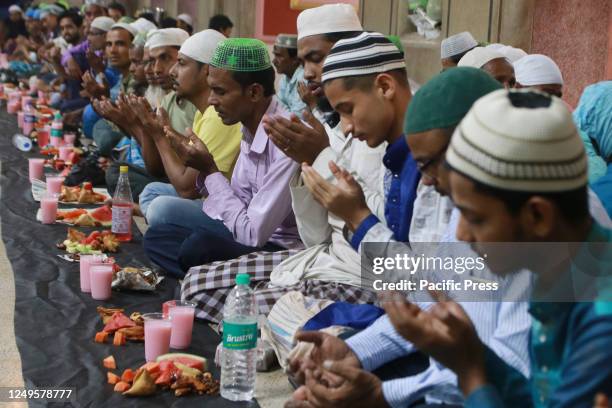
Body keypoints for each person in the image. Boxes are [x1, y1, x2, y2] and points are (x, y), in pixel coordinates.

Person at [380, 89, 612, 408]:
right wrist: (474, 355)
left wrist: (471, 373)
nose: (461, 234)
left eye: (474, 217)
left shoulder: (602, 323)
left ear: (538, 215)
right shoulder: (559, 273)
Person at [181, 4, 384, 324]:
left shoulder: (389, 145)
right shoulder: (332, 130)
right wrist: (312, 162)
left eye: (316, 59)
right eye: (304, 61)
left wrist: (319, 158)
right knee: (197, 285)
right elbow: (317, 235)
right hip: (321, 259)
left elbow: (408, 271)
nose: (307, 73)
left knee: (235, 303)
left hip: (358, 277)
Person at [143, 38, 302, 278]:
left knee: (199, 247)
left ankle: (211, 279)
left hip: (279, 250)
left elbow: (253, 235)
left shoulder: (286, 139)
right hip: (244, 232)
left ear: (254, 92)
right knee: (157, 237)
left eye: (220, 91)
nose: (211, 100)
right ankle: (211, 278)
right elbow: (237, 203)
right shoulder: (248, 125)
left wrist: (209, 171)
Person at [136, 29, 242, 224]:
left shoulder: (218, 116)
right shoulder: (204, 112)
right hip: (208, 197)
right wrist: (149, 129)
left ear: (208, 71)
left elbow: (186, 189)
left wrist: (159, 135)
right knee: (151, 192)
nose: (171, 71)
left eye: (182, 63)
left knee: (161, 208)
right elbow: (166, 170)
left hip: (230, 210)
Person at [273, 33, 307, 117]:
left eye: (279, 56)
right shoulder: (284, 79)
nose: (274, 61)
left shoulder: (303, 79)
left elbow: (296, 117)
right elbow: (276, 108)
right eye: (275, 55)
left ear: (295, 59)